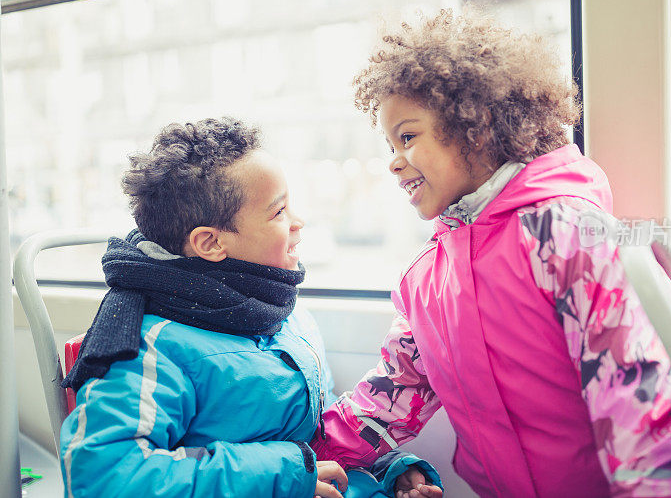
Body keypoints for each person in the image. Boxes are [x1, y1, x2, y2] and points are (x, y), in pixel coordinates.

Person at [311, 10, 671, 497]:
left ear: (476, 126)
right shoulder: (427, 278)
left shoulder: (564, 235)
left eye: (407, 137)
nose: (392, 161)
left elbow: (638, 406)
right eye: (389, 143)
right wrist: (296, 462)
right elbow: (394, 395)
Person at [59, 117, 442, 498]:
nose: (298, 222)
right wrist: (286, 473)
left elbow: (314, 434)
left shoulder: (283, 314)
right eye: (278, 212)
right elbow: (102, 477)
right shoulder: (151, 348)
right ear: (210, 243)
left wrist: (387, 469)